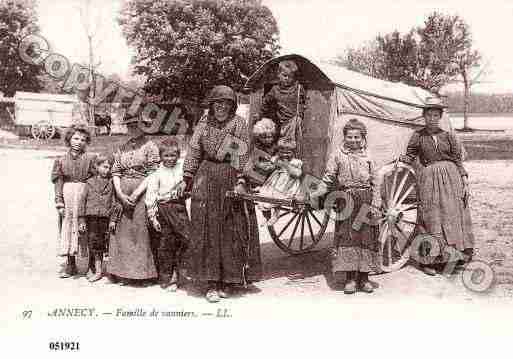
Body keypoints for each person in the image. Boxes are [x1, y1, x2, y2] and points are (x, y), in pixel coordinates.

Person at [183, 85, 262, 303]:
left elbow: (242, 154)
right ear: (211, 104)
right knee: (207, 229)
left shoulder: (238, 123)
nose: (221, 107)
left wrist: (241, 181)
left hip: (230, 176)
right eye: (218, 103)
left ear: (232, 106)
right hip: (206, 177)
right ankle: (211, 283)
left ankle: (229, 280)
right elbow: (194, 150)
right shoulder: (203, 123)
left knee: (231, 229)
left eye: (226, 104)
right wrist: (188, 177)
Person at [399, 97, 474, 276]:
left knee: (452, 217)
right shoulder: (418, 136)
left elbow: (457, 160)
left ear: (440, 116)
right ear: (424, 116)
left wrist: (464, 180)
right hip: (429, 179)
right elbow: (409, 156)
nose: (432, 118)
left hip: (451, 179)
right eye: (429, 115)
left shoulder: (448, 136)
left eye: (436, 115)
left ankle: (453, 259)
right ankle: (428, 261)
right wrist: (403, 160)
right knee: (431, 218)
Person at [316, 119, 381, 294]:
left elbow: (376, 181)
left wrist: (376, 203)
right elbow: (329, 177)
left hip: (365, 199)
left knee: (366, 238)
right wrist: (316, 192)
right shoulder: (338, 155)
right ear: (344, 137)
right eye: (349, 136)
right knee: (348, 237)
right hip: (346, 200)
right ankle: (350, 279)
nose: (353, 140)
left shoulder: (369, 156)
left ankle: (365, 278)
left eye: (356, 137)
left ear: (362, 138)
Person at [107, 116, 160, 285]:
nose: (132, 129)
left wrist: (137, 193)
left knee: (140, 233)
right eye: (129, 126)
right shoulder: (123, 147)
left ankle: (143, 274)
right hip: (122, 191)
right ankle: (122, 273)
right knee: (123, 233)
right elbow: (116, 171)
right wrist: (120, 193)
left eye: (136, 125)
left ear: (144, 127)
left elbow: (153, 172)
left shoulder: (150, 146)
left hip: (141, 191)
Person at [144, 139, 191, 292]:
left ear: (178, 155)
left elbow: (189, 185)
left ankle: (181, 271)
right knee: (166, 243)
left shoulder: (182, 169)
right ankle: (169, 277)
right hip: (164, 210)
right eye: (166, 155)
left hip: (179, 208)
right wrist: (153, 217)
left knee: (186, 239)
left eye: (173, 155)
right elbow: (151, 196)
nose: (170, 159)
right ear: (161, 156)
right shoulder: (157, 174)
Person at [51, 125, 96, 278]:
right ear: (69, 139)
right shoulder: (61, 160)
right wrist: (59, 202)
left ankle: (91, 266)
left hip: (84, 195)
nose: (79, 142)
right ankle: (70, 264)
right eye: (76, 138)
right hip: (68, 196)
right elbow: (58, 182)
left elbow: (95, 180)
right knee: (67, 227)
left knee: (86, 229)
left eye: (83, 140)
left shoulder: (91, 159)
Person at [77, 155, 122, 282]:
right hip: (91, 218)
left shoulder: (112, 184)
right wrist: (81, 220)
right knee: (94, 243)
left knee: (105, 244)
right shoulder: (89, 183)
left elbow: (115, 203)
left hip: (105, 219)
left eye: (109, 168)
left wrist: (113, 219)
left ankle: (109, 271)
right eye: (104, 167)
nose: (107, 170)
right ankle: (96, 270)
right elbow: (82, 202)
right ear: (96, 167)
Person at [257, 138, 303, 225]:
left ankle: (276, 215)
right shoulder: (278, 159)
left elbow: (297, 174)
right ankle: (266, 216)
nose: (285, 155)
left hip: (288, 185)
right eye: (282, 152)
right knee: (264, 194)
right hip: (275, 182)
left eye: (288, 153)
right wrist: (271, 163)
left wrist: (286, 165)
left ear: (294, 152)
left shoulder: (296, 162)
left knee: (277, 197)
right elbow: (271, 166)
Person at [260, 59, 306, 145]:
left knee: (294, 144)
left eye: (290, 76)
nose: (287, 78)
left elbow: (302, 103)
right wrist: (262, 115)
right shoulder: (275, 90)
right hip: (281, 122)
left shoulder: (298, 88)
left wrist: (300, 115)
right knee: (282, 143)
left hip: (295, 122)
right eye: (284, 75)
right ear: (278, 75)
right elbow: (266, 102)